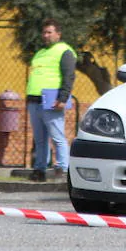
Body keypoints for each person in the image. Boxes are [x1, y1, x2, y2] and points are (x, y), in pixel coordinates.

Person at [25, 19, 76, 182]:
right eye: (44, 32)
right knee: (40, 139)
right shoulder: (40, 52)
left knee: (57, 136)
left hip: (52, 100)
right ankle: (39, 169)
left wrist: (63, 98)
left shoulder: (65, 51)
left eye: (49, 32)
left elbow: (69, 77)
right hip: (34, 100)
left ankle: (63, 169)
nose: (46, 35)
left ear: (58, 34)